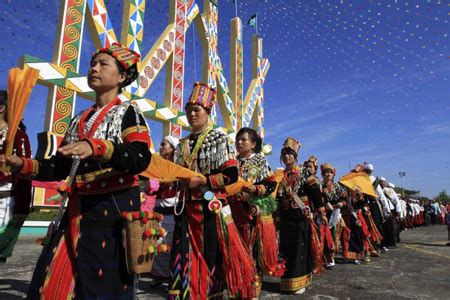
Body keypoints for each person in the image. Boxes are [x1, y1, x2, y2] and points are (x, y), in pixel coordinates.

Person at [2, 43, 152, 298]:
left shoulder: (129, 113)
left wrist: (98, 147)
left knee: (102, 286)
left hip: (112, 212)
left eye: (103, 64)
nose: (94, 68)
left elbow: (140, 157)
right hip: (76, 211)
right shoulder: (79, 119)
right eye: (93, 64)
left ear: (123, 76)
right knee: (54, 282)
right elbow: (58, 167)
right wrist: (22, 165)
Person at [169, 82, 254, 299]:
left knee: (210, 251)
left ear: (208, 112)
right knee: (182, 251)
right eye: (188, 110)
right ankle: (186, 292)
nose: (191, 114)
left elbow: (231, 176)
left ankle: (208, 291)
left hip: (209, 203)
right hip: (185, 206)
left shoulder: (219, 138)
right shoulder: (182, 144)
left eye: (197, 110)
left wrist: (202, 180)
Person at [229, 127, 280, 297]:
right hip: (231, 212)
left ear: (254, 143)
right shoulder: (231, 162)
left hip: (250, 214)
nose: (239, 142)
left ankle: (252, 288)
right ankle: (236, 285)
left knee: (250, 250)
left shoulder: (259, 161)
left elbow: (271, 184)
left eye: (244, 139)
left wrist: (255, 189)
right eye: (238, 139)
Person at [276, 138, 324, 295]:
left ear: (295, 155)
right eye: (285, 153)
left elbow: (315, 193)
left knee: (299, 248)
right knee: (286, 247)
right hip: (285, 216)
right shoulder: (279, 175)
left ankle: (299, 280)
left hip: (300, 215)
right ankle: (287, 280)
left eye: (290, 153)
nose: (287, 156)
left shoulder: (304, 172)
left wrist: (321, 211)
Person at [0, 90, 32, 263]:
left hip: (4, 202)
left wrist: (21, 207)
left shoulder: (18, 137)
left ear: (1, 108)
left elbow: (25, 173)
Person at [149, 136, 179, 286]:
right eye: (160, 145)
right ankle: (157, 276)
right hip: (158, 207)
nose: (161, 148)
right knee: (157, 242)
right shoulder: (157, 164)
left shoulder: (177, 166)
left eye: (164, 145)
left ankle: (170, 277)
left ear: (173, 148)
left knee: (169, 243)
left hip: (172, 207)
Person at [320, 162, 347, 269]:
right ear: (322, 174)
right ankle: (321, 259)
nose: (328, 174)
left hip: (334, 214)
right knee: (322, 237)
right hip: (322, 214)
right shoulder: (319, 185)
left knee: (331, 236)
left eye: (330, 172)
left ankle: (331, 258)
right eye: (326, 172)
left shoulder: (338, 187)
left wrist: (342, 203)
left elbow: (345, 200)